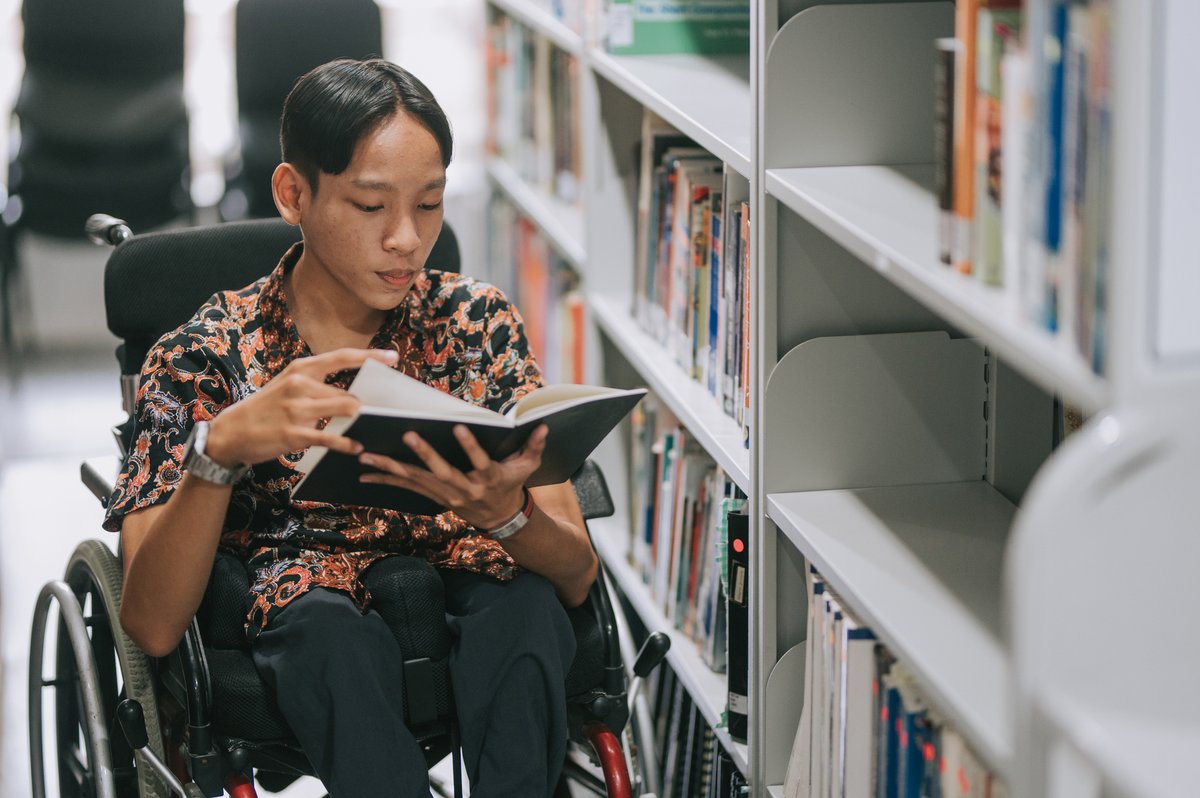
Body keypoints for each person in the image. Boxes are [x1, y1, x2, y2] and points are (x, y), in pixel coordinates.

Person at [103, 57, 599, 798]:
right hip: (309, 615)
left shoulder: (476, 324)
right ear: (292, 193)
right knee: (325, 635)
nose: (406, 238)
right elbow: (151, 627)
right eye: (372, 208)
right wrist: (221, 452)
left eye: (429, 205)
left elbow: (577, 572)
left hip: (468, 579)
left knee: (524, 609)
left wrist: (508, 514)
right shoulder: (203, 355)